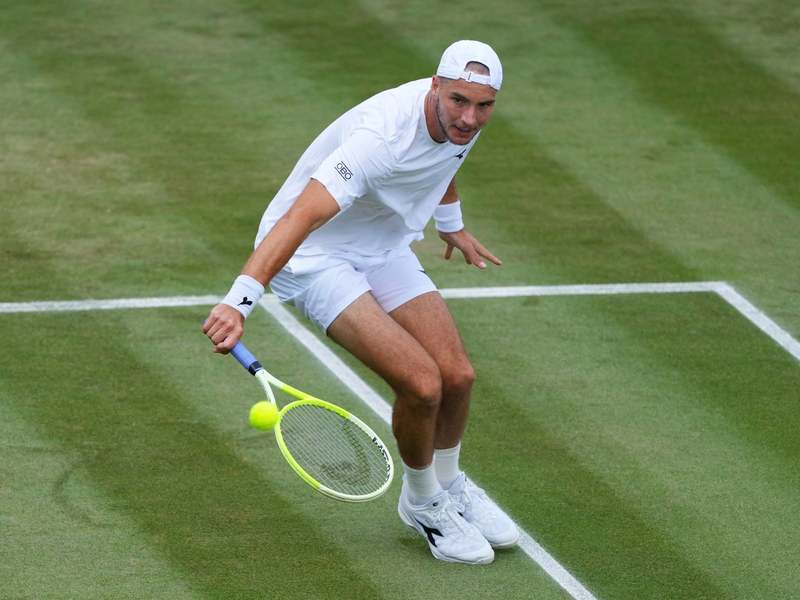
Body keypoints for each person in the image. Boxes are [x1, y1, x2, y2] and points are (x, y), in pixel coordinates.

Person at [203, 40, 519, 564]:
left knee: (458, 376)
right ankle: (424, 504)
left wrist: (451, 225)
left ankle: (451, 483)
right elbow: (298, 219)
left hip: (381, 241)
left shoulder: (463, 119)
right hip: (313, 256)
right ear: (435, 87)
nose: (469, 117)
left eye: (483, 105)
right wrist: (239, 302)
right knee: (421, 384)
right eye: (459, 101)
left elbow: (443, 161)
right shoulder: (380, 137)